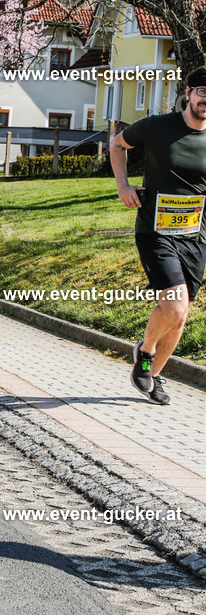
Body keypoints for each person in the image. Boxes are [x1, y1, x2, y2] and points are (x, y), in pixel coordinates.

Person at [110, 65, 206, 405]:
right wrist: (122, 185)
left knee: (181, 313)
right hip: (155, 230)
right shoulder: (156, 126)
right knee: (175, 302)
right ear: (188, 92)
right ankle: (145, 351)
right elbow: (117, 144)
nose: (205, 101)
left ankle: (153, 373)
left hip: (196, 236)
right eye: (202, 92)